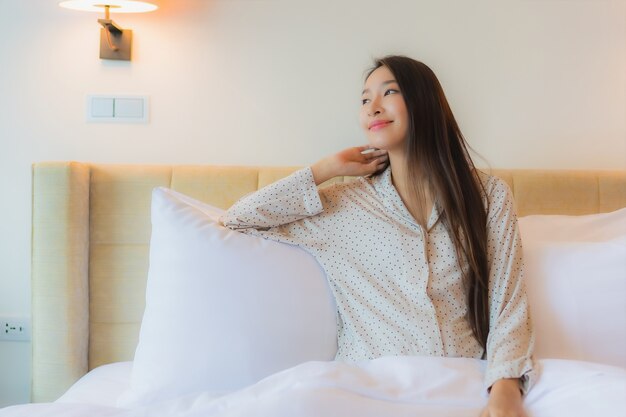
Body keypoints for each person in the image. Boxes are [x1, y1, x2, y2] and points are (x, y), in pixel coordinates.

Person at [221, 55, 536, 417]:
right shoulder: (341, 206)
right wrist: (326, 168)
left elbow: (508, 303)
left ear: (424, 102)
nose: (373, 107)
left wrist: (505, 392)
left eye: (389, 92)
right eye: (364, 99)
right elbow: (239, 219)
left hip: (461, 381)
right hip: (364, 389)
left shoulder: (488, 197)